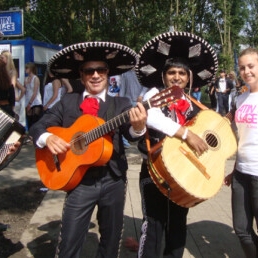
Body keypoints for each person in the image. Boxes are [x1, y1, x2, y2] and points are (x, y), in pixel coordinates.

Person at [29, 41, 147, 258]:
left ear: (108, 74)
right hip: (78, 180)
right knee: (69, 243)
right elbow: (38, 126)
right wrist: (48, 138)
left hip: (113, 179)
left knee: (111, 242)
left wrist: (138, 128)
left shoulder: (120, 104)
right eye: (89, 71)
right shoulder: (68, 101)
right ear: (82, 76)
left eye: (100, 70)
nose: (95, 75)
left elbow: (130, 133)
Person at [134, 31, 218, 258]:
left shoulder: (195, 105)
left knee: (179, 226)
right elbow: (150, 117)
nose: (177, 77)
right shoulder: (153, 94)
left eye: (182, 73)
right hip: (154, 173)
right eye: (172, 72)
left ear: (189, 78)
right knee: (152, 226)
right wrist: (185, 133)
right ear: (163, 77)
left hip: (185, 175)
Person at [224, 47, 258, 258]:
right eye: (242, 67)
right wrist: (234, 169)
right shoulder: (239, 100)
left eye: (251, 66)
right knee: (241, 229)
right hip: (241, 172)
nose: (246, 71)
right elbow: (241, 138)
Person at [0, 50, 26, 123]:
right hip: (9, 99)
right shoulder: (6, 72)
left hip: (10, 99)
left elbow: (12, 85)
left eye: (2, 58)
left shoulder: (12, 72)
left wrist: (18, 98)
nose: (1, 59)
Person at [24, 62, 42, 129]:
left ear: (31, 69)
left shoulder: (35, 78)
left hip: (35, 101)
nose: (25, 70)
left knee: (35, 120)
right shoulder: (26, 79)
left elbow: (35, 92)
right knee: (29, 120)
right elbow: (25, 90)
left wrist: (30, 103)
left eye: (27, 68)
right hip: (28, 99)